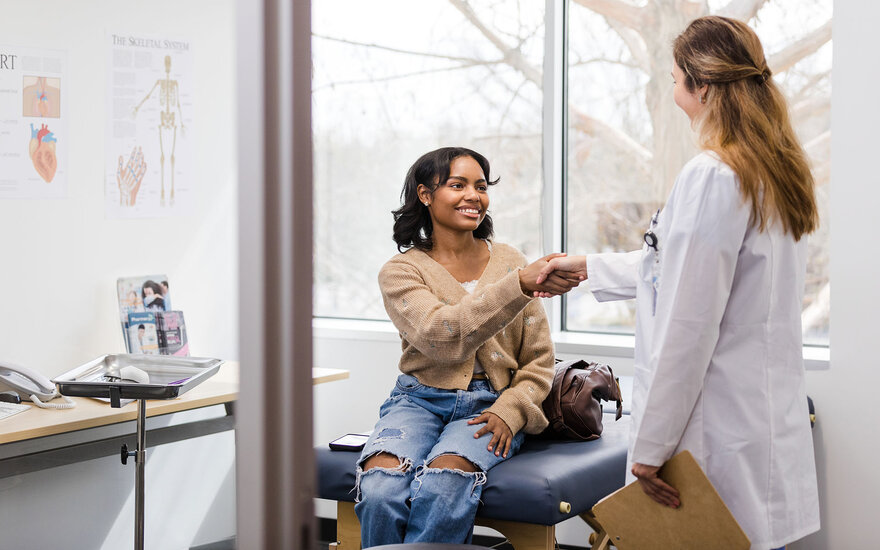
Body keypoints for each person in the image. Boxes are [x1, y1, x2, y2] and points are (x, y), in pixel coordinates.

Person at [536, 16, 819, 550]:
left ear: (702, 85)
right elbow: (675, 268)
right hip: (759, 419)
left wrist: (650, 446)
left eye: (672, 78)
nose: (671, 91)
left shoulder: (714, 176)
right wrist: (590, 268)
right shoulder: (776, 172)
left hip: (716, 430)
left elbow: (688, 324)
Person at [354, 147, 577, 547]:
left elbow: (539, 361)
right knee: (380, 489)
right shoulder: (401, 271)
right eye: (457, 185)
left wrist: (510, 411)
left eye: (480, 186)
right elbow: (442, 337)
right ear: (425, 194)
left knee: (444, 486)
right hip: (417, 402)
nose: (473, 195)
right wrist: (519, 286)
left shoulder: (510, 262)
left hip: (488, 405)